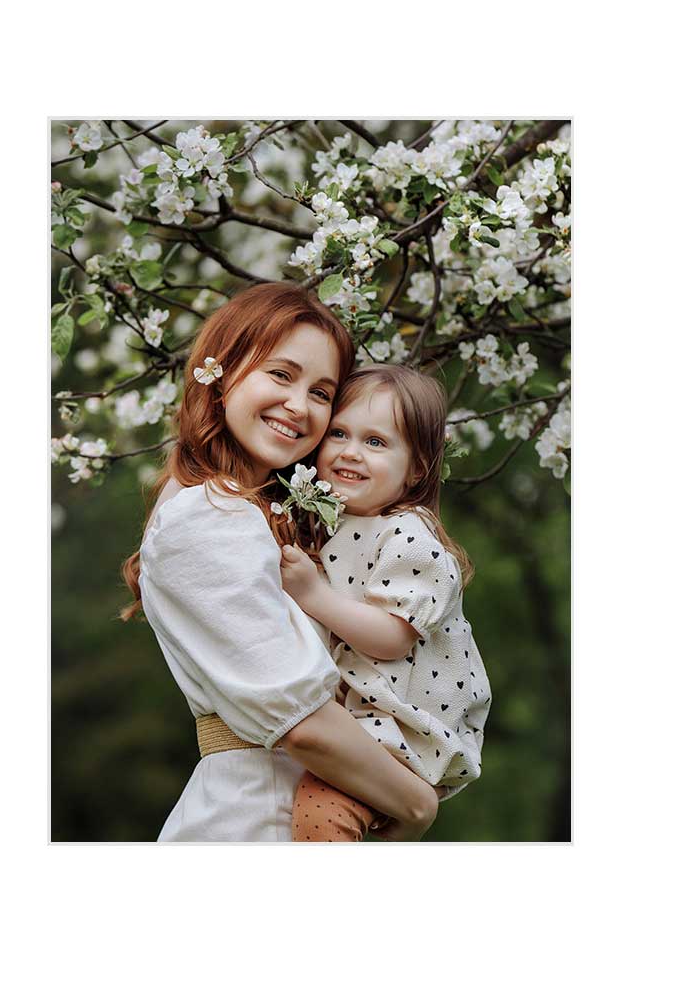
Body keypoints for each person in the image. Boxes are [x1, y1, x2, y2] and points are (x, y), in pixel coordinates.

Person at [120, 283, 441, 842]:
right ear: (220, 373)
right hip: (252, 818)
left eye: (321, 393)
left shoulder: (250, 512)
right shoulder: (207, 514)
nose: (299, 405)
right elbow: (302, 723)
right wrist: (417, 805)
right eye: (281, 374)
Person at [279, 364, 492, 842]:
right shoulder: (332, 521)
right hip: (368, 721)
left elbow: (393, 637)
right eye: (339, 433)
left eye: (375, 442)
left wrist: (314, 595)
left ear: (416, 468)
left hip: (404, 730)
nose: (350, 451)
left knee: (320, 811)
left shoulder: (410, 536)